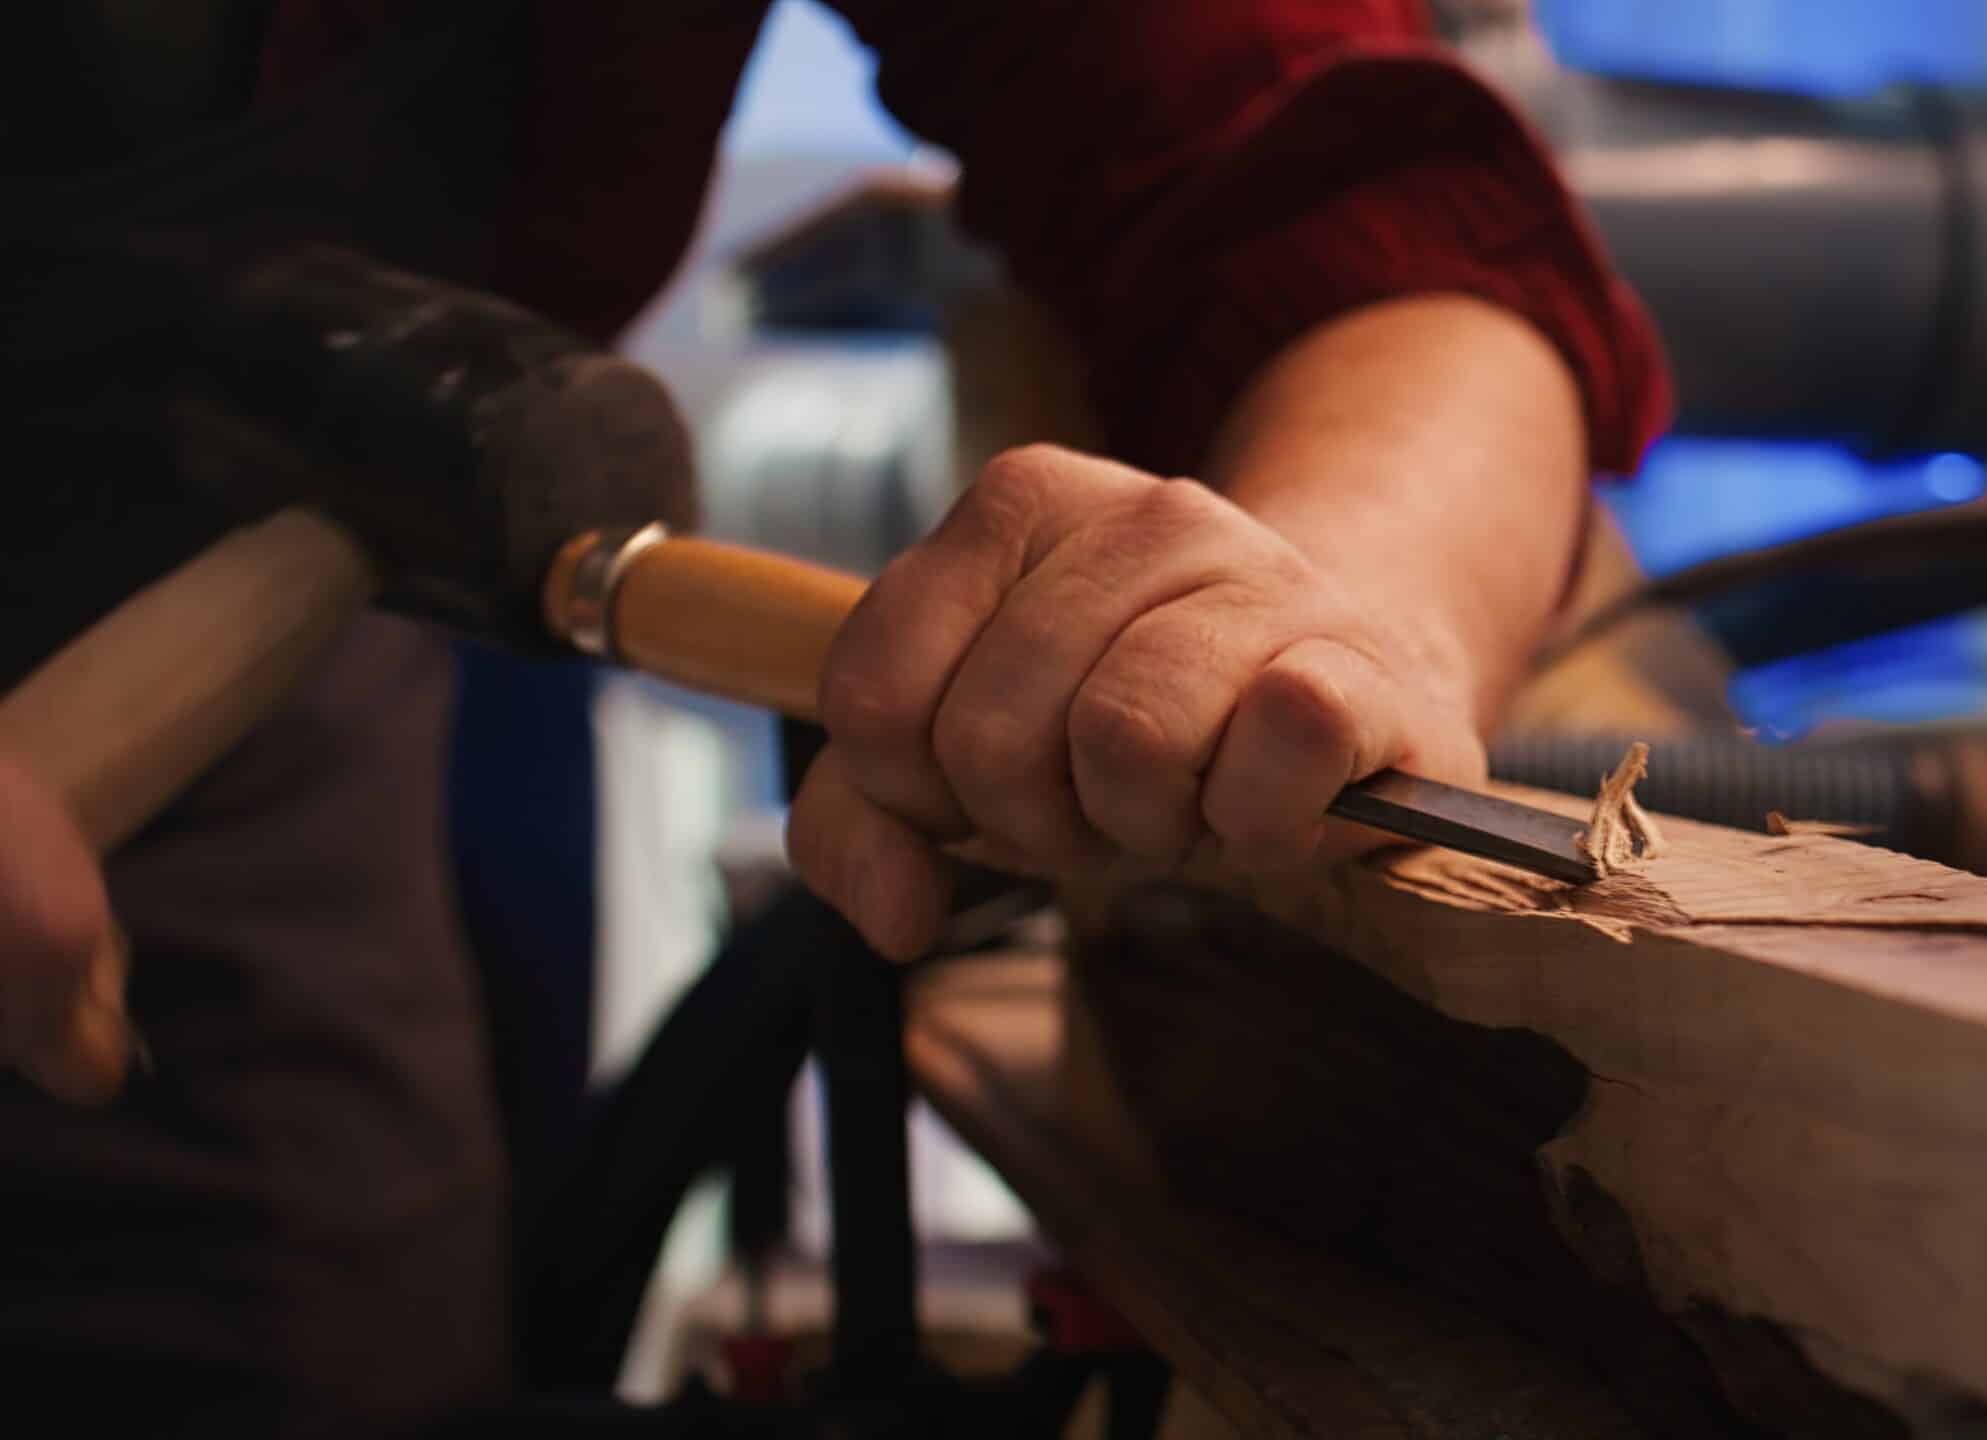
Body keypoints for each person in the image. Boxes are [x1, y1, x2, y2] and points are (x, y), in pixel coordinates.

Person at [0, 2, 1665, 1433]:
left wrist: (1338, 612)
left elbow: (1344, 194)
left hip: (253, 625)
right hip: (159, 648)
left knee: (303, 1347)